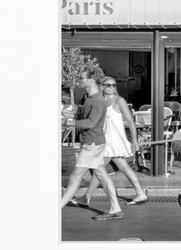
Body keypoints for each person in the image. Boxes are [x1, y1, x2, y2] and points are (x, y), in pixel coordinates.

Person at [60, 67, 124, 220]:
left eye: (82, 78)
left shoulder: (96, 100)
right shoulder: (90, 98)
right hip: (94, 142)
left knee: (76, 176)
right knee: (101, 174)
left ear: (91, 80)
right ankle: (115, 209)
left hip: (92, 144)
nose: (80, 80)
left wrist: (70, 122)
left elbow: (90, 122)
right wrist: (71, 115)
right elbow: (87, 116)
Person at [82, 75, 149, 206]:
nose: (112, 87)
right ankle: (140, 193)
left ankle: (86, 198)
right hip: (104, 139)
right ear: (101, 86)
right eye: (108, 85)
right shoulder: (99, 101)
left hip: (114, 140)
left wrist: (135, 141)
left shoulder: (119, 101)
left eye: (114, 85)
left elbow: (130, 121)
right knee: (123, 166)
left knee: (98, 168)